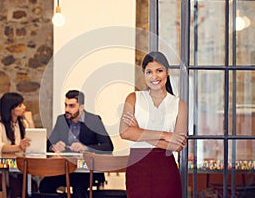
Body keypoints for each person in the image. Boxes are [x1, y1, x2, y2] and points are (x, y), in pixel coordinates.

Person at [119, 51, 188, 198]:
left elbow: (178, 145)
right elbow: (124, 132)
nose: (154, 77)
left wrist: (139, 133)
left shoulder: (179, 105)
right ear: (144, 74)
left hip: (166, 170)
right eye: (149, 72)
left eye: (159, 71)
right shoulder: (133, 98)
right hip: (137, 169)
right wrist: (165, 135)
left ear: (167, 72)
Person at [39, 90, 114, 198]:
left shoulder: (94, 120)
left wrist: (86, 148)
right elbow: (48, 145)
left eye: (71, 106)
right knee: (45, 185)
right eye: (65, 105)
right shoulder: (62, 119)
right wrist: (54, 146)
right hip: (65, 168)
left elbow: (108, 147)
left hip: (87, 170)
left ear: (81, 107)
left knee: (79, 188)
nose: (67, 109)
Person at [0, 92, 37, 198]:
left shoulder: (23, 123)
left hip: (17, 170)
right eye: (20, 105)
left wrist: (31, 122)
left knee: (32, 186)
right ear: (11, 109)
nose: (24, 107)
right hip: (0, 172)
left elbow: (33, 143)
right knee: (17, 187)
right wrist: (19, 147)